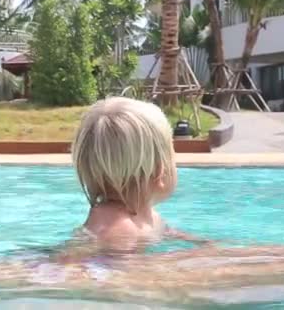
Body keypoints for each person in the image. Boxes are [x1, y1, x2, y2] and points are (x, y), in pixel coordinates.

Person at [55, 97, 210, 262]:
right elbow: (122, 278)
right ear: (160, 171)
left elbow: (171, 235)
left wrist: (211, 249)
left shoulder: (150, 217)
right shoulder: (116, 227)